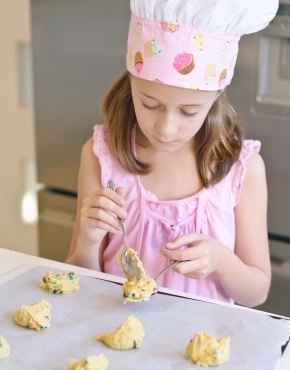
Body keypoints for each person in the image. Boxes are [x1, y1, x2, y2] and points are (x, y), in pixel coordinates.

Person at [67, 0, 278, 307]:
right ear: (131, 83)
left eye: (189, 112)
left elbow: (256, 292)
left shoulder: (242, 169)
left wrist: (221, 261)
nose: (166, 129)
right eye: (150, 105)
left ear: (216, 97)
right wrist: (88, 243)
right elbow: (79, 277)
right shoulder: (101, 157)